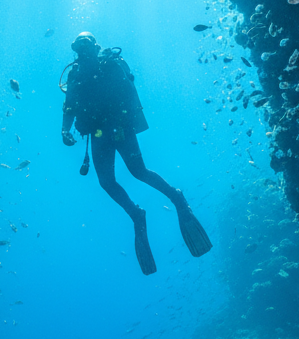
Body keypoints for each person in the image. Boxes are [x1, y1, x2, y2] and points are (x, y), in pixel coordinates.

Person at [60, 31, 212, 275]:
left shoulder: (109, 64)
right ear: (74, 48)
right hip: (97, 133)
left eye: (87, 43)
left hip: (119, 127)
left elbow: (126, 92)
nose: (83, 48)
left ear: (96, 46)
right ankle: (136, 214)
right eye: (79, 44)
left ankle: (176, 197)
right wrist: (65, 130)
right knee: (106, 182)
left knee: (138, 171)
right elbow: (69, 105)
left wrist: (121, 120)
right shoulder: (74, 74)